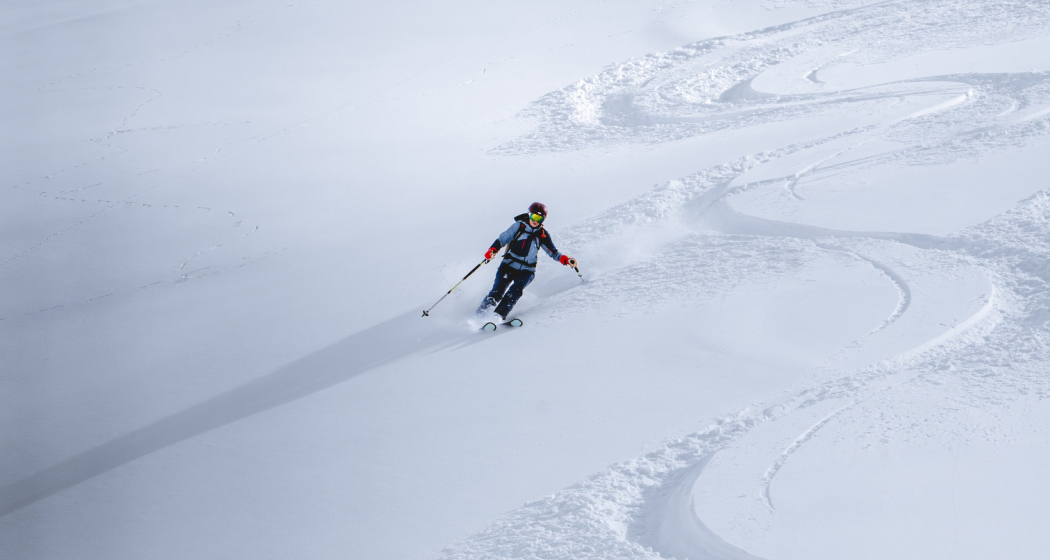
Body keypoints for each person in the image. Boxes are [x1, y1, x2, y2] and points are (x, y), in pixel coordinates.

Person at [476, 202, 577, 320]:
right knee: (497, 290)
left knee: (515, 291)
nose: (536, 221)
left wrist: (565, 259)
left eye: (540, 219)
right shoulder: (518, 227)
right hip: (508, 265)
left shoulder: (542, 235)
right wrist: (492, 250)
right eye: (534, 217)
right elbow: (502, 239)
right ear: (529, 215)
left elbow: (553, 252)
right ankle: (479, 316)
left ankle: (497, 316)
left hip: (527, 270)